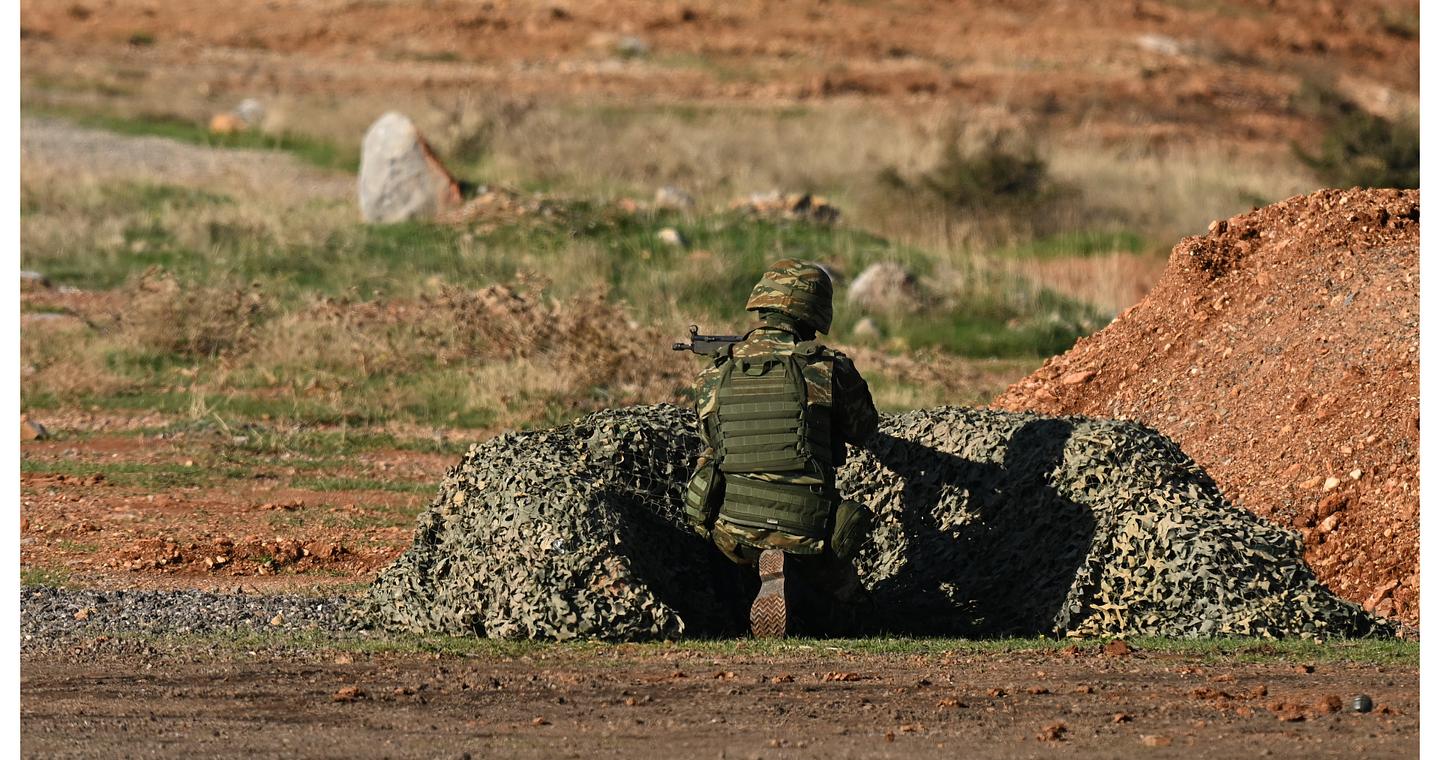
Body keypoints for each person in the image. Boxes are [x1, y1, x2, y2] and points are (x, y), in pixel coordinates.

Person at [683, 258, 880, 637]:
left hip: (733, 533)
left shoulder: (715, 372)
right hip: (809, 531)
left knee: (717, 507)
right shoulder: (829, 368)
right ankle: (799, 591)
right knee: (855, 613)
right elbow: (864, 429)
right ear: (815, 310)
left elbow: (711, 439)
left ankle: (742, 596)